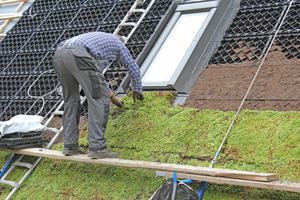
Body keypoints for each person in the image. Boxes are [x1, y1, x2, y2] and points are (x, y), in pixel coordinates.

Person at [52, 32, 144, 159]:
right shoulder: (119, 45)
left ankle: (70, 145)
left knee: (71, 100)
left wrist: (112, 97)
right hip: (78, 55)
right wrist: (137, 89)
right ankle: (98, 147)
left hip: (59, 55)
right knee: (98, 100)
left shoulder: (98, 43)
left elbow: (97, 77)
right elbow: (133, 68)